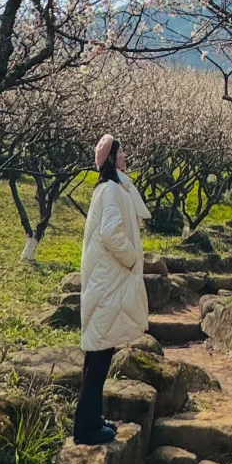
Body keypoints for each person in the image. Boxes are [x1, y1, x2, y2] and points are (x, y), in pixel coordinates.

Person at [73, 133, 151, 445]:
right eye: (121, 154)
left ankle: (91, 418)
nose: (125, 158)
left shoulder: (109, 189)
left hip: (105, 280)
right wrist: (132, 258)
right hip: (107, 281)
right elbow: (110, 234)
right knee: (99, 355)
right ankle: (85, 428)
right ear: (111, 158)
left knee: (99, 352)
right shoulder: (110, 191)